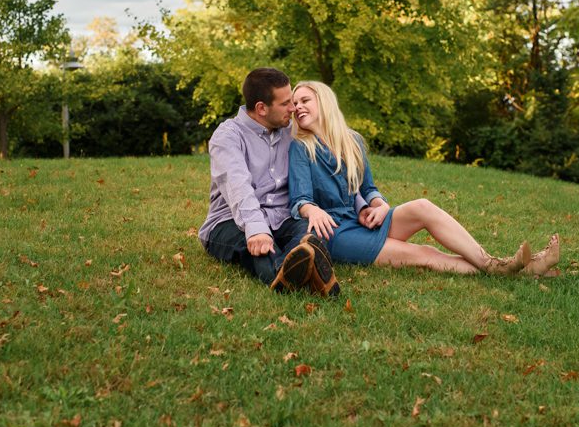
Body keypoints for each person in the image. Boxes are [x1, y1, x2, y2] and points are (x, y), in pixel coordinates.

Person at [288, 81, 560, 276]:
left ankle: (497, 265)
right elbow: (300, 198)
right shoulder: (301, 146)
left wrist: (380, 206)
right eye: (294, 104)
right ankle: (511, 269)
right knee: (424, 255)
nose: (297, 107)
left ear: (323, 102)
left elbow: (368, 188)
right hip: (336, 233)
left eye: (304, 100)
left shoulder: (352, 141)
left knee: (422, 207)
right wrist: (311, 209)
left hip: (363, 221)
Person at [198, 68, 341, 296]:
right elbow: (238, 187)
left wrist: (366, 200)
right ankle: (302, 280)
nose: (293, 109)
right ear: (261, 109)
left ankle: (300, 267)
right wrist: (256, 230)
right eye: (286, 104)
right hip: (231, 221)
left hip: (282, 217)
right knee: (261, 249)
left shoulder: (290, 131)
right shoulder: (227, 136)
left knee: (313, 233)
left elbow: (329, 158)